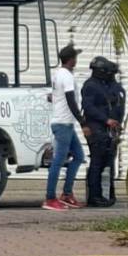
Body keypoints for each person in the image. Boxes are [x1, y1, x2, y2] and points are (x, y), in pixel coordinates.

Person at [43, 44, 88, 211]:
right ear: (71, 60)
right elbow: (70, 100)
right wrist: (83, 122)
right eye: (75, 57)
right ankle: (50, 198)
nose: (76, 60)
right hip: (63, 124)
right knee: (58, 161)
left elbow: (55, 97)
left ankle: (67, 194)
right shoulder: (67, 76)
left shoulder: (58, 75)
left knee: (78, 156)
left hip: (65, 124)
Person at [82, 56, 125, 207]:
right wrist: (106, 120)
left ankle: (108, 193)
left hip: (111, 129)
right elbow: (88, 107)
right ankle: (95, 195)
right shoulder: (91, 86)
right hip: (97, 128)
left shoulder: (111, 86)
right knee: (97, 161)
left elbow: (118, 101)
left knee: (109, 162)